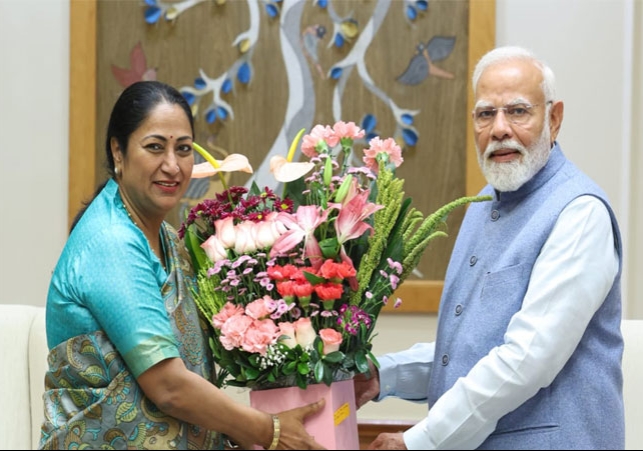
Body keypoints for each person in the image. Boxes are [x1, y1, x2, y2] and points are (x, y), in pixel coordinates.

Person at [354, 46, 624, 450]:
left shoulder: (579, 213)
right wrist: (383, 375)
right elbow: (469, 351)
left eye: (517, 111)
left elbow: (526, 360)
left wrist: (420, 440)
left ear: (554, 118)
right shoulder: (484, 204)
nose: (499, 128)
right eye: (485, 114)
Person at [39, 80, 326, 450]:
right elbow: (169, 387)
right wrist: (269, 431)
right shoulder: (110, 241)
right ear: (118, 152)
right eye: (155, 147)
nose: (172, 166)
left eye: (184, 149)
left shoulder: (168, 240)